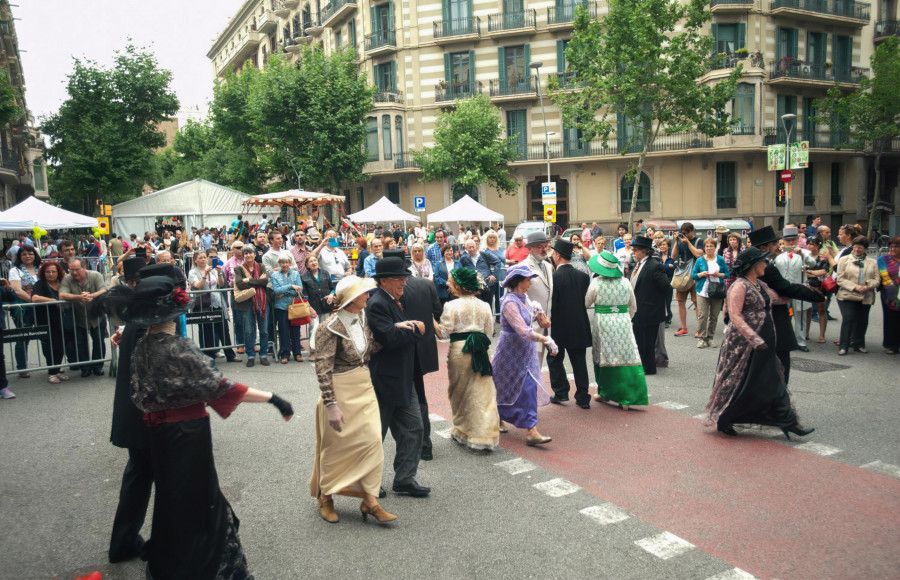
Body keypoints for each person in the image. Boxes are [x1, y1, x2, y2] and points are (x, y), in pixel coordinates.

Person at [96, 273, 294, 578]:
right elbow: (220, 387)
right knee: (200, 502)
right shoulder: (175, 348)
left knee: (174, 499)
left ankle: (172, 559)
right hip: (185, 437)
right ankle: (201, 567)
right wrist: (273, 398)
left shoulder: (142, 345)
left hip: (160, 435)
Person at [309, 275, 397, 524]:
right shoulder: (328, 328)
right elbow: (322, 368)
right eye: (364, 293)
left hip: (364, 387)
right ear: (351, 299)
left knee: (373, 443)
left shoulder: (362, 318)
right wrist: (331, 405)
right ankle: (326, 498)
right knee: (335, 449)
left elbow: (369, 349)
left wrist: (398, 329)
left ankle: (370, 502)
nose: (368, 296)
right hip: (340, 392)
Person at [705, 247, 815, 440]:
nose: (766, 264)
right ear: (754, 265)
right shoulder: (739, 286)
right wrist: (753, 338)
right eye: (763, 261)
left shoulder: (759, 285)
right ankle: (725, 419)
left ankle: (788, 422)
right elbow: (735, 315)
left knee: (772, 378)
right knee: (740, 380)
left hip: (765, 338)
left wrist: (806, 290)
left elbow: (778, 299)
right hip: (743, 343)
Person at [104, 261, 166, 564]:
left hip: (137, 417)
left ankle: (124, 542)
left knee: (138, 482)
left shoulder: (138, 321)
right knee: (162, 483)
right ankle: (160, 549)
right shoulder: (145, 326)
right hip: (146, 419)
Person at [366, 257, 429, 497]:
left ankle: (404, 478)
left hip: (403, 378)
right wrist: (416, 330)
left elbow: (396, 333)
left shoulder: (396, 300)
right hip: (384, 380)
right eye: (399, 278)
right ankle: (370, 483)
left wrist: (406, 328)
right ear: (384, 281)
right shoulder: (378, 303)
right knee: (375, 435)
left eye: (404, 277)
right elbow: (389, 338)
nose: (404, 282)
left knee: (414, 428)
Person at [746, 226, 824, 383]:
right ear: (763, 248)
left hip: (757, 318)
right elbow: (785, 287)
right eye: (773, 244)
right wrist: (815, 294)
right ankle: (778, 398)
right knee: (780, 362)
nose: (776, 247)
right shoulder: (764, 266)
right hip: (774, 317)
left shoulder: (752, 263)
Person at [492, 265, 556, 445]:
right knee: (504, 385)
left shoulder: (525, 299)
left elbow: (544, 323)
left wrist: (540, 315)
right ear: (519, 281)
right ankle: (498, 417)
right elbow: (523, 331)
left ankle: (531, 430)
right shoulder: (509, 303)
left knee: (528, 387)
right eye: (528, 279)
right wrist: (546, 340)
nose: (530, 282)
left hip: (525, 351)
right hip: (509, 351)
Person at [438, 268, 498, 450]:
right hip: (481, 348)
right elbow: (489, 332)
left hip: (460, 350)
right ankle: (485, 436)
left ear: (459, 285)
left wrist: (431, 321)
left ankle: (463, 431)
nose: (448, 284)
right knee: (484, 393)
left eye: (451, 282)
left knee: (460, 392)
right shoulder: (485, 306)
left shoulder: (451, 306)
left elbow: (442, 333)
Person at [392, 250, 442, 461]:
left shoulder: (392, 291)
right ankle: (425, 445)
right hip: (424, 347)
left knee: (406, 399)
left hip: (402, 349)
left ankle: (417, 444)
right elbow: (437, 311)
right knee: (419, 396)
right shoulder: (426, 284)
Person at [585, 252, 648, 410]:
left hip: (603, 323)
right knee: (626, 356)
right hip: (623, 322)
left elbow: (586, 303)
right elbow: (633, 307)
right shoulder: (626, 282)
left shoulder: (596, 283)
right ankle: (627, 397)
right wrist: (624, 317)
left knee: (604, 357)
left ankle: (606, 392)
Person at [546, 239, 592, 408]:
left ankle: (561, 392)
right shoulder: (583, 277)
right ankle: (583, 397)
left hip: (558, 325)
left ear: (557, 255)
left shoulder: (553, 278)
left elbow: (552, 304)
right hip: (579, 323)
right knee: (579, 361)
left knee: (554, 358)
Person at [189, 249, 240, 363]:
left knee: (223, 329)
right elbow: (198, 286)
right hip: (204, 304)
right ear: (195, 260)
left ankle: (230, 355)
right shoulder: (193, 272)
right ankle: (209, 356)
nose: (203, 259)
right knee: (207, 331)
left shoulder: (212, 269)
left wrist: (219, 273)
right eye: (200, 258)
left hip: (217, 301)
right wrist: (204, 275)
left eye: (204, 257)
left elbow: (221, 284)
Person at [59, 258, 108, 378]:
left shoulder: (95, 275)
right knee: (81, 343)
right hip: (79, 315)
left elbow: (103, 290)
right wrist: (79, 297)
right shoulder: (67, 279)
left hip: (97, 315)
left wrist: (91, 296)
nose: (74, 273)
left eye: (77, 269)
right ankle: (85, 368)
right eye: (71, 270)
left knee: (98, 340)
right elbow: (62, 294)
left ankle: (98, 366)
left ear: (84, 267)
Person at [629, 236, 670, 376]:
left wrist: (658, 304)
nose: (633, 252)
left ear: (644, 251)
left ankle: (649, 368)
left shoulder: (654, 265)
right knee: (640, 339)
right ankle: (645, 365)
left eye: (636, 250)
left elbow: (666, 287)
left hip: (649, 310)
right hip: (639, 310)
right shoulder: (639, 264)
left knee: (647, 341)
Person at [773, 226, 816, 352]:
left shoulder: (805, 253)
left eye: (793, 240)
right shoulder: (779, 256)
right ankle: (783, 339)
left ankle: (801, 341)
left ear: (797, 240)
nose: (790, 243)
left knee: (800, 315)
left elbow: (813, 264)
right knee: (782, 316)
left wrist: (802, 254)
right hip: (783, 290)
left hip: (798, 288)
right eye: (788, 240)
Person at [835, 236, 879, 356]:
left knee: (862, 320)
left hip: (866, 294)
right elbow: (840, 278)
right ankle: (844, 346)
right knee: (849, 318)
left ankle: (859, 344)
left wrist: (867, 285)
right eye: (855, 247)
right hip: (847, 294)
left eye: (860, 248)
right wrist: (855, 287)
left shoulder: (872, 262)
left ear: (865, 249)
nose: (857, 250)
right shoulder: (844, 260)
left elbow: (877, 280)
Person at [30, 261, 69, 383]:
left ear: (58, 272)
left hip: (61, 319)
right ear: (43, 273)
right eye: (48, 272)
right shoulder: (40, 284)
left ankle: (57, 370)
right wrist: (54, 300)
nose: (51, 274)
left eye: (53, 271)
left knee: (60, 345)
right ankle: (52, 372)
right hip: (45, 319)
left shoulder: (62, 283)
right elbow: (35, 298)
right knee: (49, 346)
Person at [233, 246, 270, 367]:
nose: (248, 255)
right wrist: (257, 281)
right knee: (249, 331)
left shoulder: (261, 266)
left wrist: (248, 280)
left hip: (263, 302)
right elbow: (239, 284)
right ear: (243, 255)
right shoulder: (239, 268)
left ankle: (263, 354)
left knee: (264, 331)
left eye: (250, 253)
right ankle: (251, 355)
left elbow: (265, 282)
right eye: (246, 253)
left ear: (255, 254)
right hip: (248, 303)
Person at [521, 232, 554, 360]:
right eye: (540, 247)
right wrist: (536, 312)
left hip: (547, 324)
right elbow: (517, 295)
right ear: (530, 248)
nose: (544, 250)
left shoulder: (547, 266)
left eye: (545, 246)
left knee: (539, 367)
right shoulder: (523, 266)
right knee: (531, 367)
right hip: (531, 325)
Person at [8, 244, 40, 378]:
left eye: (30, 253)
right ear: (20, 257)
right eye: (24, 254)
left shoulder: (42, 269)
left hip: (42, 307)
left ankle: (53, 365)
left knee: (47, 335)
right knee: (23, 337)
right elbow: (17, 290)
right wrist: (33, 301)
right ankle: (22, 367)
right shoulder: (15, 271)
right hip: (24, 308)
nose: (28, 256)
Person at [692, 238, 730, 349]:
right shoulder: (700, 260)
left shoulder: (720, 259)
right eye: (707, 246)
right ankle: (701, 338)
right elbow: (693, 275)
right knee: (703, 315)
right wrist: (702, 274)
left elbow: (727, 274)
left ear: (715, 247)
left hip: (717, 291)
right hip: (702, 291)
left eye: (711, 246)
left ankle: (710, 338)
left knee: (714, 316)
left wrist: (719, 275)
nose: (709, 248)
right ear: (704, 248)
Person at [272, 256, 308, 364]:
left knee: (295, 331)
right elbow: (276, 291)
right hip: (281, 307)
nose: (284, 265)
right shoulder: (275, 275)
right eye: (282, 262)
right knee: (283, 331)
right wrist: (291, 286)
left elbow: (299, 290)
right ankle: (285, 354)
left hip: (294, 306)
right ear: (279, 264)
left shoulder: (296, 274)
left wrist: (285, 291)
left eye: (286, 262)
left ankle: (297, 353)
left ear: (290, 263)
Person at [673, 222, 704, 337]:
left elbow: (698, 255)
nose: (685, 235)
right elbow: (673, 256)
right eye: (683, 233)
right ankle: (683, 328)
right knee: (681, 302)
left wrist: (688, 244)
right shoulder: (680, 242)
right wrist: (676, 242)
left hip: (696, 276)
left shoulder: (699, 241)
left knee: (697, 302)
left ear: (693, 231)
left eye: (687, 233)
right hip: (683, 275)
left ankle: (700, 330)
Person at [804, 236, 832, 344]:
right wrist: (813, 273)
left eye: (812, 244)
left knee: (821, 310)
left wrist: (811, 273)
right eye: (808, 244)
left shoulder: (822, 256)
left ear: (818, 245)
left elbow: (824, 271)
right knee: (807, 310)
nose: (810, 246)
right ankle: (806, 333)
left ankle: (821, 335)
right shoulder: (805, 255)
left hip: (820, 286)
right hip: (807, 285)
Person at [460, 239, 502, 306]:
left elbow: (498, 262)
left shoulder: (484, 255)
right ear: (466, 249)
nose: (472, 249)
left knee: (487, 309)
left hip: (486, 287)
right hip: (473, 289)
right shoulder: (463, 259)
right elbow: (460, 270)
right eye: (469, 247)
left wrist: (494, 275)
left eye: (473, 246)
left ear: (476, 246)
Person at [222, 240, 246, 354]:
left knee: (251, 319)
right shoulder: (228, 263)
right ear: (233, 249)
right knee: (238, 320)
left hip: (249, 292)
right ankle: (240, 344)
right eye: (238, 247)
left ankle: (251, 342)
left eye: (242, 247)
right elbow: (224, 279)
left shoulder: (249, 259)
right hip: (235, 293)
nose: (241, 249)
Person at [877, 237, 899, 354]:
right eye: (891, 246)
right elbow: (879, 275)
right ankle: (891, 345)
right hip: (889, 294)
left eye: (896, 246)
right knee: (891, 319)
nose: (893, 249)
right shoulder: (883, 260)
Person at [302, 254, 337, 326]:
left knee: (325, 329)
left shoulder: (325, 273)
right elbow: (304, 296)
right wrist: (310, 309)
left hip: (326, 306)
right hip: (313, 308)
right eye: (311, 261)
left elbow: (332, 289)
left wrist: (331, 295)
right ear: (307, 265)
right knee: (314, 331)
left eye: (315, 260)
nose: (314, 263)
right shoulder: (304, 277)